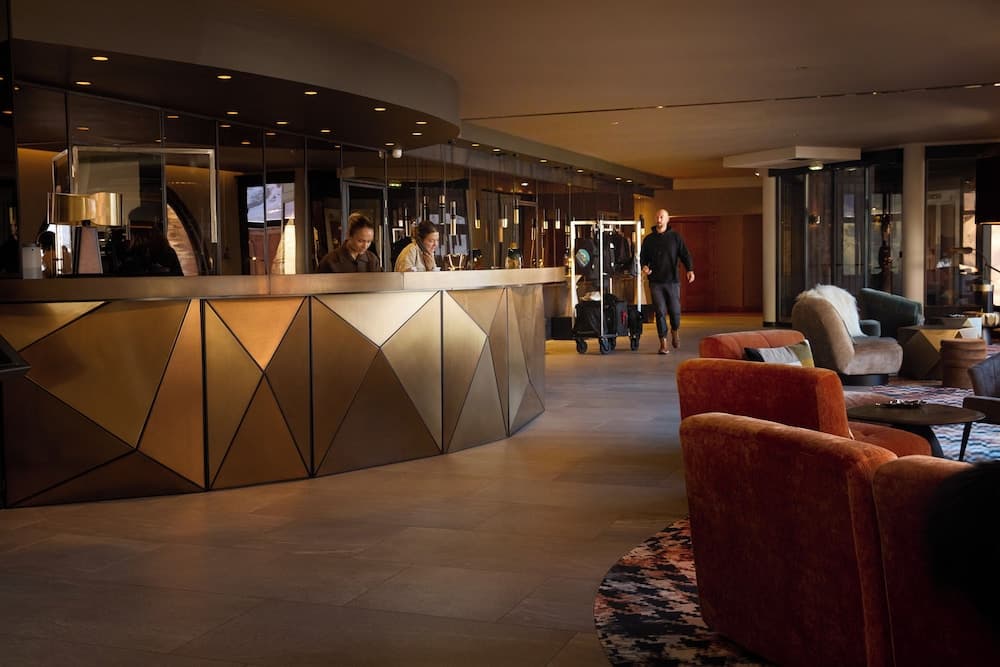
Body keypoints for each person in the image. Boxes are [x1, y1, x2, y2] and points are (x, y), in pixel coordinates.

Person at [639, 209, 694, 354]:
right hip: (655, 282)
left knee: (675, 311)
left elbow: (685, 254)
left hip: (672, 281)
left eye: (662, 217)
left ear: (667, 219)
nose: (659, 219)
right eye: (657, 217)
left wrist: (690, 270)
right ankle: (663, 343)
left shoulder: (675, 237)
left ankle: (674, 331)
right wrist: (644, 267)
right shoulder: (649, 240)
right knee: (660, 311)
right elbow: (643, 258)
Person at [317, 212, 382, 272]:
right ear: (348, 235)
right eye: (360, 241)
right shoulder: (329, 261)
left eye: (369, 241)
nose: (365, 246)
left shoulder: (373, 260)